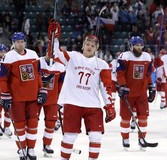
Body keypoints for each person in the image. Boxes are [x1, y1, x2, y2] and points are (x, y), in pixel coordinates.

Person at [48, 19, 116, 160]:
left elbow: (106, 87)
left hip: (92, 105)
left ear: (97, 48)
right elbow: (55, 53)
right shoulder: (72, 57)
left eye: (93, 45)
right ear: (83, 45)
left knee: (96, 136)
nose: (89, 46)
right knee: (69, 136)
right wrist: (54, 37)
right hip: (73, 103)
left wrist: (109, 106)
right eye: (87, 44)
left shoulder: (102, 64)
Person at [0, 32, 47, 160]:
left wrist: (42, 90)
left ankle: (30, 148)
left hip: (33, 97)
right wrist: (5, 94)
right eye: (17, 42)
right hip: (17, 98)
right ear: (13, 43)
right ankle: (21, 148)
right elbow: (2, 78)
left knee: (32, 124)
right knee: (19, 125)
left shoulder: (33, 55)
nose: (20, 44)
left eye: (22, 41)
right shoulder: (8, 57)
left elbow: (38, 74)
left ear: (25, 42)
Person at [116, 36, 155, 150]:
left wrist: (151, 87)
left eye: (140, 45)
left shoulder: (147, 57)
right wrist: (122, 86)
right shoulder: (125, 56)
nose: (139, 48)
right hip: (127, 92)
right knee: (125, 118)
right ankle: (125, 138)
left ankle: (142, 139)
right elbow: (120, 73)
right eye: (136, 45)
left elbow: (148, 74)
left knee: (143, 117)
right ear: (131, 46)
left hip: (141, 93)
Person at [38, 52, 65, 157]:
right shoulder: (37, 62)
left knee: (51, 124)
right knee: (32, 122)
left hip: (52, 100)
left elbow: (61, 84)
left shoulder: (61, 67)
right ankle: (29, 146)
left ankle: (47, 145)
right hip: (37, 98)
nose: (50, 57)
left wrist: (61, 99)